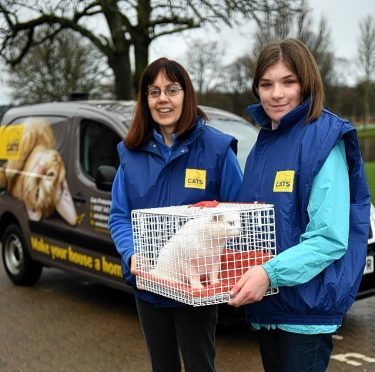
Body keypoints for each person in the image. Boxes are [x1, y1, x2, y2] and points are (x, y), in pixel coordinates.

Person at [228, 38, 371, 372]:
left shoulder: (324, 139)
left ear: (307, 82)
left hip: (305, 309)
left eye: (288, 81)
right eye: (266, 84)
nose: (276, 94)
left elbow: (329, 237)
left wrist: (268, 272)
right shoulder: (265, 143)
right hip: (271, 305)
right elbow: (259, 223)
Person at [108, 57, 242, 372]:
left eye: (172, 89)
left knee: (199, 365)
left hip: (196, 289)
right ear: (145, 100)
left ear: (186, 94)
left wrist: (219, 267)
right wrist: (131, 254)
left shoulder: (217, 149)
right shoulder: (131, 152)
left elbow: (239, 211)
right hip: (151, 282)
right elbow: (119, 215)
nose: (163, 99)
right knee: (162, 366)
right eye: (154, 92)